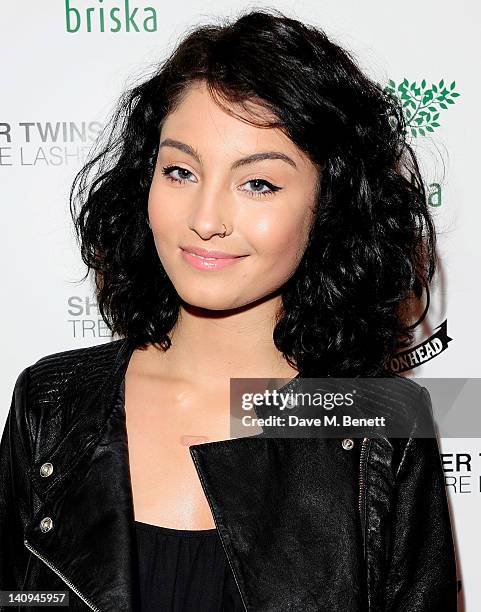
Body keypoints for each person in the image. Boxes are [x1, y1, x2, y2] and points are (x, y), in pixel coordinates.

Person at [0, 8, 457, 612]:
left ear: (330, 205)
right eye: (181, 171)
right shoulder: (53, 405)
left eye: (258, 184)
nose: (205, 219)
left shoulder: (381, 428)